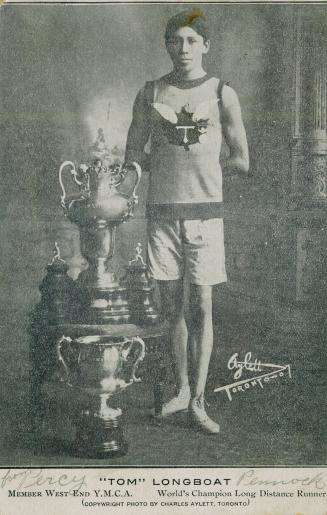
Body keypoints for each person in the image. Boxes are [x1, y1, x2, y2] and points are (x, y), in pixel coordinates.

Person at [124, 9, 249, 433]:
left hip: (205, 215)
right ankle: (180, 391)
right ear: (167, 46)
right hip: (162, 214)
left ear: (206, 46)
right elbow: (132, 155)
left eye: (191, 41)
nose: (183, 49)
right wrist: (152, 161)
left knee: (201, 306)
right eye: (175, 41)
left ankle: (198, 400)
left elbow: (242, 160)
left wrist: (205, 162)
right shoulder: (151, 91)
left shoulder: (221, 93)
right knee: (171, 308)